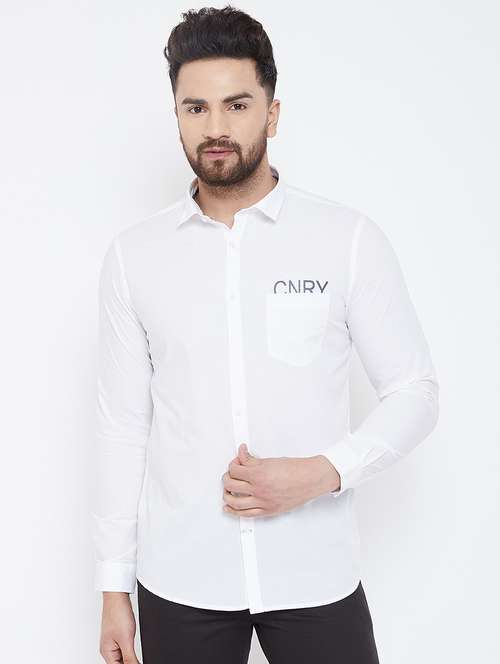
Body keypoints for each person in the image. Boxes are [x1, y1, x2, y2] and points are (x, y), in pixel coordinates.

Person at [92, 5, 439, 663]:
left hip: (314, 572)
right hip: (181, 577)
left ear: (272, 114)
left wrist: (322, 473)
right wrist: (113, 586)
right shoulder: (134, 257)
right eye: (195, 108)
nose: (215, 128)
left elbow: (415, 392)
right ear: (177, 116)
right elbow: (122, 426)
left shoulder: (347, 240)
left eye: (237, 105)